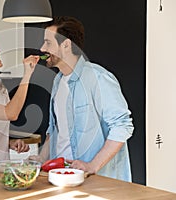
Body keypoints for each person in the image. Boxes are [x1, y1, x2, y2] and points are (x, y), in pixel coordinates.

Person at [29, 16, 134, 182]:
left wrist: (92, 166)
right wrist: (41, 159)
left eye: (48, 43)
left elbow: (122, 126)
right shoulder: (58, 80)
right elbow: (55, 130)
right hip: (62, 176)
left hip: (98, 181)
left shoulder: (98, 78)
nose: (42, 48)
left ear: (66, 45)